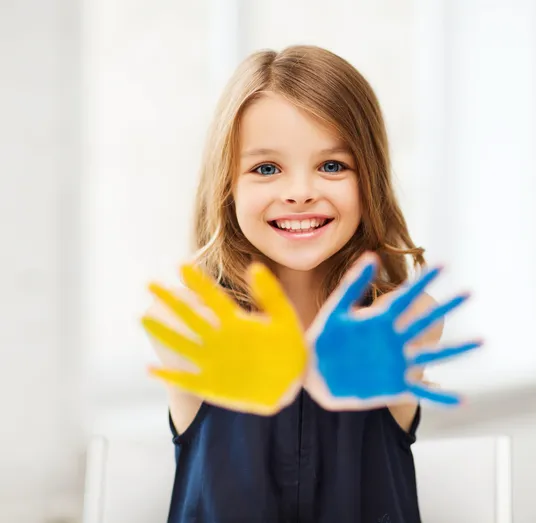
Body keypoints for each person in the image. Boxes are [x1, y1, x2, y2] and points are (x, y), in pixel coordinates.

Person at [147, 44, 454, 523]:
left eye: (332, 166)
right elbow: (170, 318)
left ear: (367, 180)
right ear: (227, 187)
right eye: (266, 169)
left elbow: (415, 320)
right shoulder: (198, 324)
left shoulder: (398, 325)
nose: (299, 191)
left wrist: (315, 361)